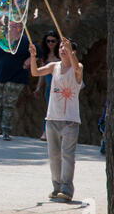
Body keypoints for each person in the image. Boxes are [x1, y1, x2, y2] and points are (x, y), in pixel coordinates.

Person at [29, 37, 83, 201]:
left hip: (70, 121)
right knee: (53, 156)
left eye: (65, 47)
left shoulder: (78, 67)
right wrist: (32, 57)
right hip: (52, 118)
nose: (61, 49)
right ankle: (56, 187)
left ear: (73, 52)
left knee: (67, 155)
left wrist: (71, 54)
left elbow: (77, 68)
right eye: (60, 47)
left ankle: (67, 189)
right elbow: (35, 72)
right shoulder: (54, 66)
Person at [0, 33, 42, 141]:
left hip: (17, 78)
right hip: (0, 77)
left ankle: (6, 131)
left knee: (8, 104)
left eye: (16, 24)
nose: (13, 26)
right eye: (11, 24)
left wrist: (27, 62)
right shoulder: (2, 40)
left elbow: (38, 53)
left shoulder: (25, 40)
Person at [33, 30, 61, 141]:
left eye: (53, 41)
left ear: (57, 41)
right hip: (49, 87)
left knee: (59, 110)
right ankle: (45, 132)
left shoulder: (61, 54)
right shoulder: (45, 56)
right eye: (48, 41)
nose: (50, 43)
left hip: (60, 87)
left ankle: (57, 133)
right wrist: (38, 87)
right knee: (49, 110)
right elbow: (41, 74)